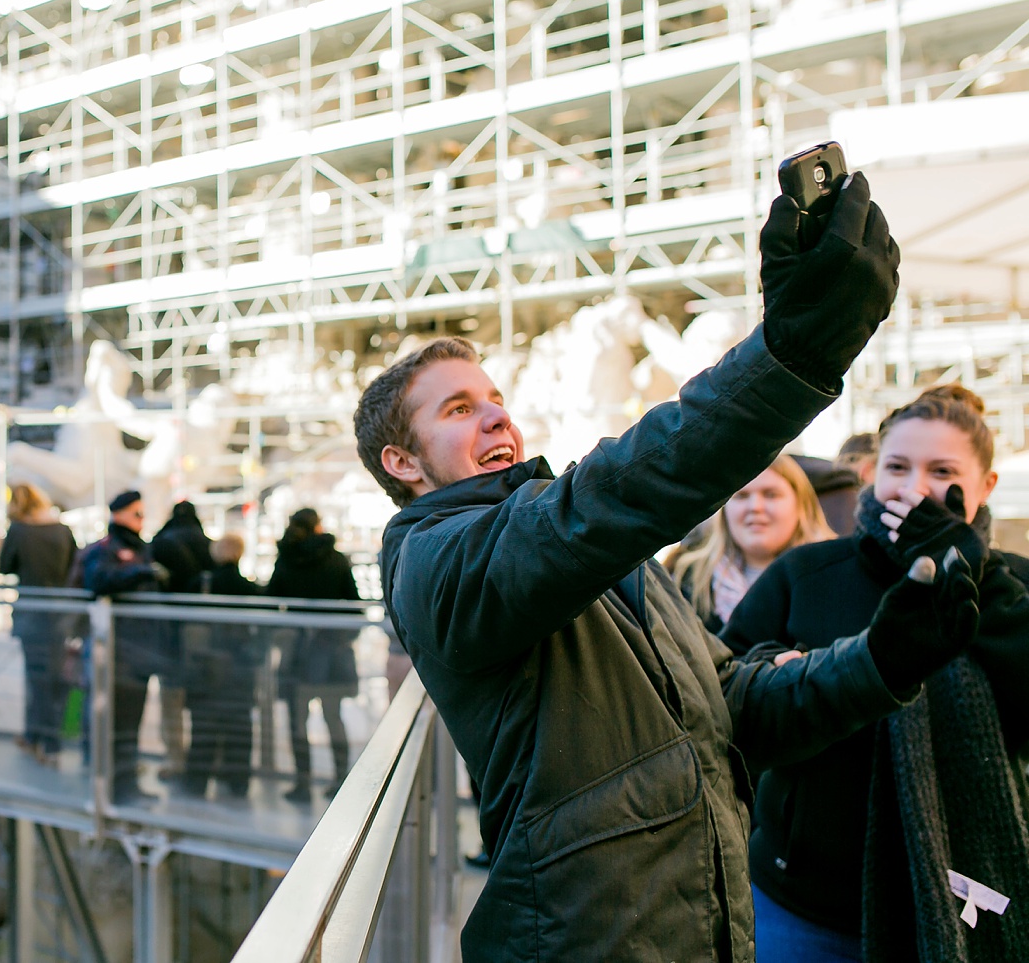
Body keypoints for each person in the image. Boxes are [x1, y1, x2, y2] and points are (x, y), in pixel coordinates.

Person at [352, 174, 977, 961]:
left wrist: (881, 660)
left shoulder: (583, 549)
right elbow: (609, 496)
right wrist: (786, 355)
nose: (497, 414)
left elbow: (731, 705)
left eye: (494, 396)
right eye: (458, 409)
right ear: (401, 461)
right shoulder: (434, 559)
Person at [721, 384, 1029, 961]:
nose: (914, 489)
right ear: (869, 474)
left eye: (941, 470)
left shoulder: (1014, 586)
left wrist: (974, 573)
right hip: (806, 906)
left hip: (968, 907)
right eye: (897, 467)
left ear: (986, 485)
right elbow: (726, 696)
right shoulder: (807, 573)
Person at [671, 454, 835, 631]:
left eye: (771, 495)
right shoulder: (686, 578)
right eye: (741, 496)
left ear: (801, 504)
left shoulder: (835, 573)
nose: (755, 507)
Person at [267, 508, 362, 804]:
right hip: (332, 650)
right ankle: (340, 779)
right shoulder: (336, 559)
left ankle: (302, 783)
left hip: (297, 652)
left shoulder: (285, 559)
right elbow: (355, 605)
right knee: (334, 717)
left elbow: (271, 602)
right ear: (318, 527)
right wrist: (344, 637)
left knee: (298, 720)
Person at [81, 491, 170, 802]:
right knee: (117, 724)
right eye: (136, 514)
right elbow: (97, 581)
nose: (141, 521)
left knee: (130, 723)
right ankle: (116, 787)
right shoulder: (108, 550)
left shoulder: (139, 549)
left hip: (138, 651)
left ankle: (124, 784)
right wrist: (139, 572)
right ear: (118, 515)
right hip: (120, 653)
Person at [0, 483, 78, 761]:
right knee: (52, 676)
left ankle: (47, 740)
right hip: (60, 614)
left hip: (31, 613)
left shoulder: (19, 531)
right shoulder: (62, 530)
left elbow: (4, 566)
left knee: (37, 678)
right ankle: (35, 734)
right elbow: (72, 568)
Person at [183, 534, 264, 798]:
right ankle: (238, 783)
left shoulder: (200, 584)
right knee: (239, 727)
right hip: (239, 669)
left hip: (204, 667)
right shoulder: (250, 589)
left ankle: (196, 783)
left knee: (203, 727)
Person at [150, 500, 214, 778]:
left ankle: (174, 759)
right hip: (204, 635)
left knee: (171, 701)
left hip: (169, 635)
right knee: (203, 702)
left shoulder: (161, 543)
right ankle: (205, 762)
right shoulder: (208, 544)